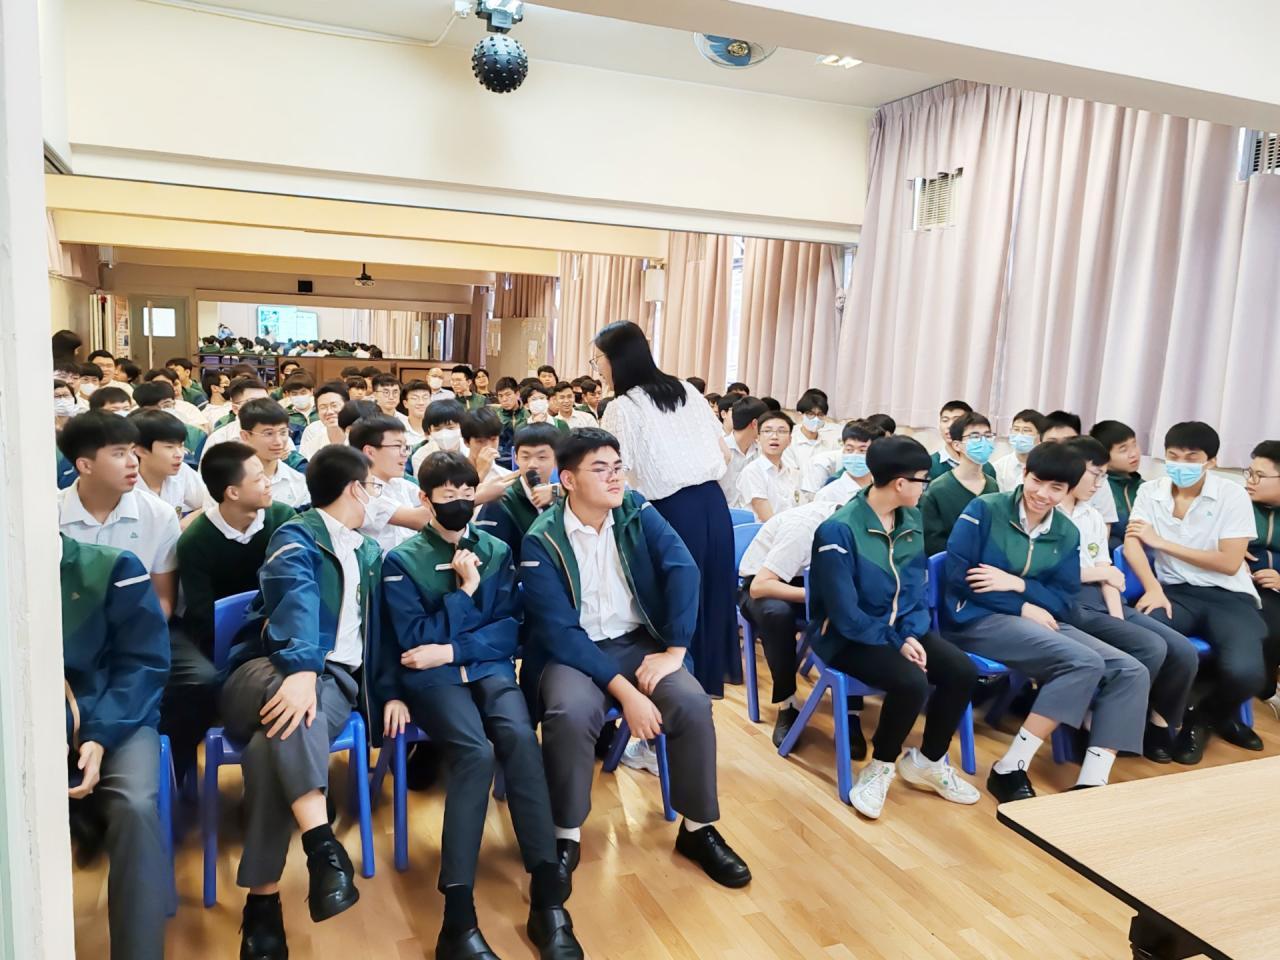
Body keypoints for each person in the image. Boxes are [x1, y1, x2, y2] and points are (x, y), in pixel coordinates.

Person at [519, 428, 751, 889]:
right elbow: (560, 632)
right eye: (599, 469)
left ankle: (698, 829)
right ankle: (565, 834)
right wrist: (628, 695)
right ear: (568, 480)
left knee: (691, 703)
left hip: (637, 642)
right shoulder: (541, 538)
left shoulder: (636, 510)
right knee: (570, 713)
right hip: (573, 653)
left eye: (617, 467)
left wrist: (674, 651)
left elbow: (684, 568)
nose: (614, 478)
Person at [383, 452, 582, 959]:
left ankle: (547, 894)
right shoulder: (402, 561)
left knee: (520, 738)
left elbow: (509, 629)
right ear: (425, 499)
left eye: (467, 492)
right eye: (448, 494)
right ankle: (457, 916)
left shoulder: (495, 549)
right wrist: (466, 594)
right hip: (432, 682)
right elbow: (413, 640)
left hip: (485, 669)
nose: (460, 502)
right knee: (474, 752)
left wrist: (452, 648)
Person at [221, 445, 402, 959]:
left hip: (334, 682)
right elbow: (295, 598)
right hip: (265, 670)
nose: (377, 497)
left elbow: (380, 637)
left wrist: (387, 691)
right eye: (374, 487)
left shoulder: (368, 553)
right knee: (296, 707)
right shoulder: (296, 535)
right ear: (356, 488)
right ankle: (322, 844)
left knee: (271, 745)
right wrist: (301, 669)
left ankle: (264, 903)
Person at [940, 442, 1150, 800]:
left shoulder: (1066, 531)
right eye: (1037, 481)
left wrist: (1020, 585)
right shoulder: (984, 510)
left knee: (1131, 670)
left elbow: (1064, 600)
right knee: (1083, 662)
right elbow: (962, 578)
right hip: (975, 618)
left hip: (1040, 620)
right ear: (1024, 475)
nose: (1042, 494)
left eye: (1056, 488)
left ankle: (1093, 782)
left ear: (1068, 490)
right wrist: (1023, 606)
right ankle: (1009, 768)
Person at [810, 436, 981, 819]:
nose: (927, 487)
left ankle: (928, 761)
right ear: (901, 483)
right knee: (911, 682)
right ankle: (882, 764)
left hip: (899, 630)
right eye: (923, 479)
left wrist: (909, 633)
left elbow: (916, 588)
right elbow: (844, 613)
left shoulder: (911, 519)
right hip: (846, 636)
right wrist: (895, 640)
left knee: (961, 671)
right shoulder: (838, 530)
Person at [57, 412, 218, 779]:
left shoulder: (157, 514)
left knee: (200, 679)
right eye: (119, 453)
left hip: (142, 628)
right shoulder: (50, 515)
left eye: (133, 451)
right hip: (72, 636)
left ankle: (172, 766)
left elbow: (163, 599)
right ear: (84, 465)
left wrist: (131, 642)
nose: (133, 462)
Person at [596, 320, 739, 697]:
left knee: (672, 601)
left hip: (668, 512)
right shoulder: (688, 390)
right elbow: (724, 453)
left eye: (598, 360)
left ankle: (672, 699)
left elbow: (615, 475)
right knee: (708, 597)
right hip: (714, 506)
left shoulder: (622, 407)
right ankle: (700, 692)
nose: (597, 369)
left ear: (616, 359)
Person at [1124, 421, 1268, 761]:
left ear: (1211, 461)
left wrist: (1163, 543)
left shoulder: (1231, 495)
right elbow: (1133, 544)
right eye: (1173, 456)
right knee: (1143, 641)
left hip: (1228, 596)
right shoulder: (1151, 491)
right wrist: (1153, 588)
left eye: (1191, 458)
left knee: (1246, 673)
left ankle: (1201, 718)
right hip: (1173, 592)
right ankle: (1156, 724)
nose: (1180, 465)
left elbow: (1229, 562)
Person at [60, 533, 171, 960]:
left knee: (134, 804)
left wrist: (100, 736)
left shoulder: (113, 567)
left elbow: (144, 663)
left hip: (118, 716)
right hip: (34, 730)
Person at [1057, 437, 1198, 764]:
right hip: (1066, 602)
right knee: (1150, 647)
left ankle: (1157, 727)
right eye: (1095, 475)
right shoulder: (1050, 514)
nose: (1099, 484)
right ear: (1072, 470)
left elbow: (1107, 571)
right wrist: (1099, 574)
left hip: (1102, 600)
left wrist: (1117, 616)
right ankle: (1094, 724)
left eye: (1104, 476)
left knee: (1183, 651)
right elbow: (1049, 574)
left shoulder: (1091, 515)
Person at [739, 497, 849, 746]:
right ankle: (787, 703)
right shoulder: (802, 528)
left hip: (810, 581)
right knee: (777, 614)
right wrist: (815, 596)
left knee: (850, 609)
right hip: (764, 583)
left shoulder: (856, 526)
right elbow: (759, 587)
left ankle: (850, 711)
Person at [178, 442, 296, 658]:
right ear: (233, 492)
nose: (268, 483)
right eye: (258, 479)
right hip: (218, 637)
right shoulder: (195, 541)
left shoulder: (284, 519)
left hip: (278, 627)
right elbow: (202, 612)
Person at [475, 423, 560, 558]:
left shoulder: (560, 496)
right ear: (516, 458)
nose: (532, 465)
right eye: (525, 457)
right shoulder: (501, 500)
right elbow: (489, 556)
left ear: (557, 459)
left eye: (542, 457)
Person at [350, 414, 432, 554]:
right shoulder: (360, 491)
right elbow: (421, 519)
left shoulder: (401, 484)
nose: (405, 454)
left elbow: (432, 505)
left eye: (406, 447)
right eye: (397, 446)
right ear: (370, 452)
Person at [920, 411, 1000, 555]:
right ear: (957, 445)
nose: (983, 442)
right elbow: (932, 542)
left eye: (988, 436)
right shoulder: (938, 490)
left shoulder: (992, 485)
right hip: (951, 562)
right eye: (975, 437)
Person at [1246, 440, 1280, 718]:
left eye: (1260, 475)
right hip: (1243, 588)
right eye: (1249, 472)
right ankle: (1264, 689)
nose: (1250, 481)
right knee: (1270, 623)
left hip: (1275, 588)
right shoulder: (1236, 505)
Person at [131, 409, 207, 519]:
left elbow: (211, 503)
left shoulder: (182, 471)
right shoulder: (123, 486)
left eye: (181, 446)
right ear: (141, 450)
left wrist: (186, 522)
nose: (179, 454)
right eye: (169, 447)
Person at [239, 398, 310, 509]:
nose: (278, 441)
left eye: (283, 432)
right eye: (268, 433)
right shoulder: (230, 481)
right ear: (245, 436)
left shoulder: (298, 482)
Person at [1090, 419, 1145, 548]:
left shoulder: (1145, 487)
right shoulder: (1098, 488)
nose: (1134, 454)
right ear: (1104, 455)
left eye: (1134, 444)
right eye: (1123, 449)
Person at [737, 411, 800, 522]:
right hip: (765, 531)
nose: (774, 437)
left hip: (790, 529)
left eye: (781, 431)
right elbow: (768, 520)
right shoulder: (752, 472)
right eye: (767, 431)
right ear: (758, 437)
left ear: (790, 439)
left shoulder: (792, 472)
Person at [133, 380, 207, 465]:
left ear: (174, 404)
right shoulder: (135, 433)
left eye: (166, 406)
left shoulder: (195, 434)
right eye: (153, 410)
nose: (161, 412)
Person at [812, 420, 879, 506]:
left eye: (862, 450)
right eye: (849, 450)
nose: (855, 455)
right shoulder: (827, 495)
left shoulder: (883, 489)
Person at [202, 377, 271, 455]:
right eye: (253, 403)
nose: (262, 407)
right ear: (236, 409)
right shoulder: (219, 440)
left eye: (266, 402)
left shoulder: (278, 436)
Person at [927, 400, 993, 481]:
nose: (949, 425)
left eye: (957, 420)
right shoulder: (929, 465)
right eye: (945, 420)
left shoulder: (987, 468)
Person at [719, 396, 765, 509]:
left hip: (752, 515)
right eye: (765, 422)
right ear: (755, 423)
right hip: (722, 513)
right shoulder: (720, 450)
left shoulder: (761, 451)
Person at [786, 388, 840, 482]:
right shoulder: (789, 442)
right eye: (811, 414)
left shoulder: (830, 443)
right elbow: (790, 474)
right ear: (800, 415)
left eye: (820, 415)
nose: (816, 419)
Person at [994, 409, 1044, 493]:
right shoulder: (999, 467)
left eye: (1026, 430)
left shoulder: (1047, 466)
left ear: (1040, 436)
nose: (1019, 435)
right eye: (1016, 429)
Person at [300, 380, 351, 461]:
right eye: (323, 407)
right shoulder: (311, 446)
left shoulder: (360, 441)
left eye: (334, 405)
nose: (329, 411)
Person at [280, 375, 318, 445]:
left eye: (303, 393)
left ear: (311, 391)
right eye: (294, 394)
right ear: (288, 394)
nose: (299, 396)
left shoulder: (320, 411)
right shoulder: (284, 416)